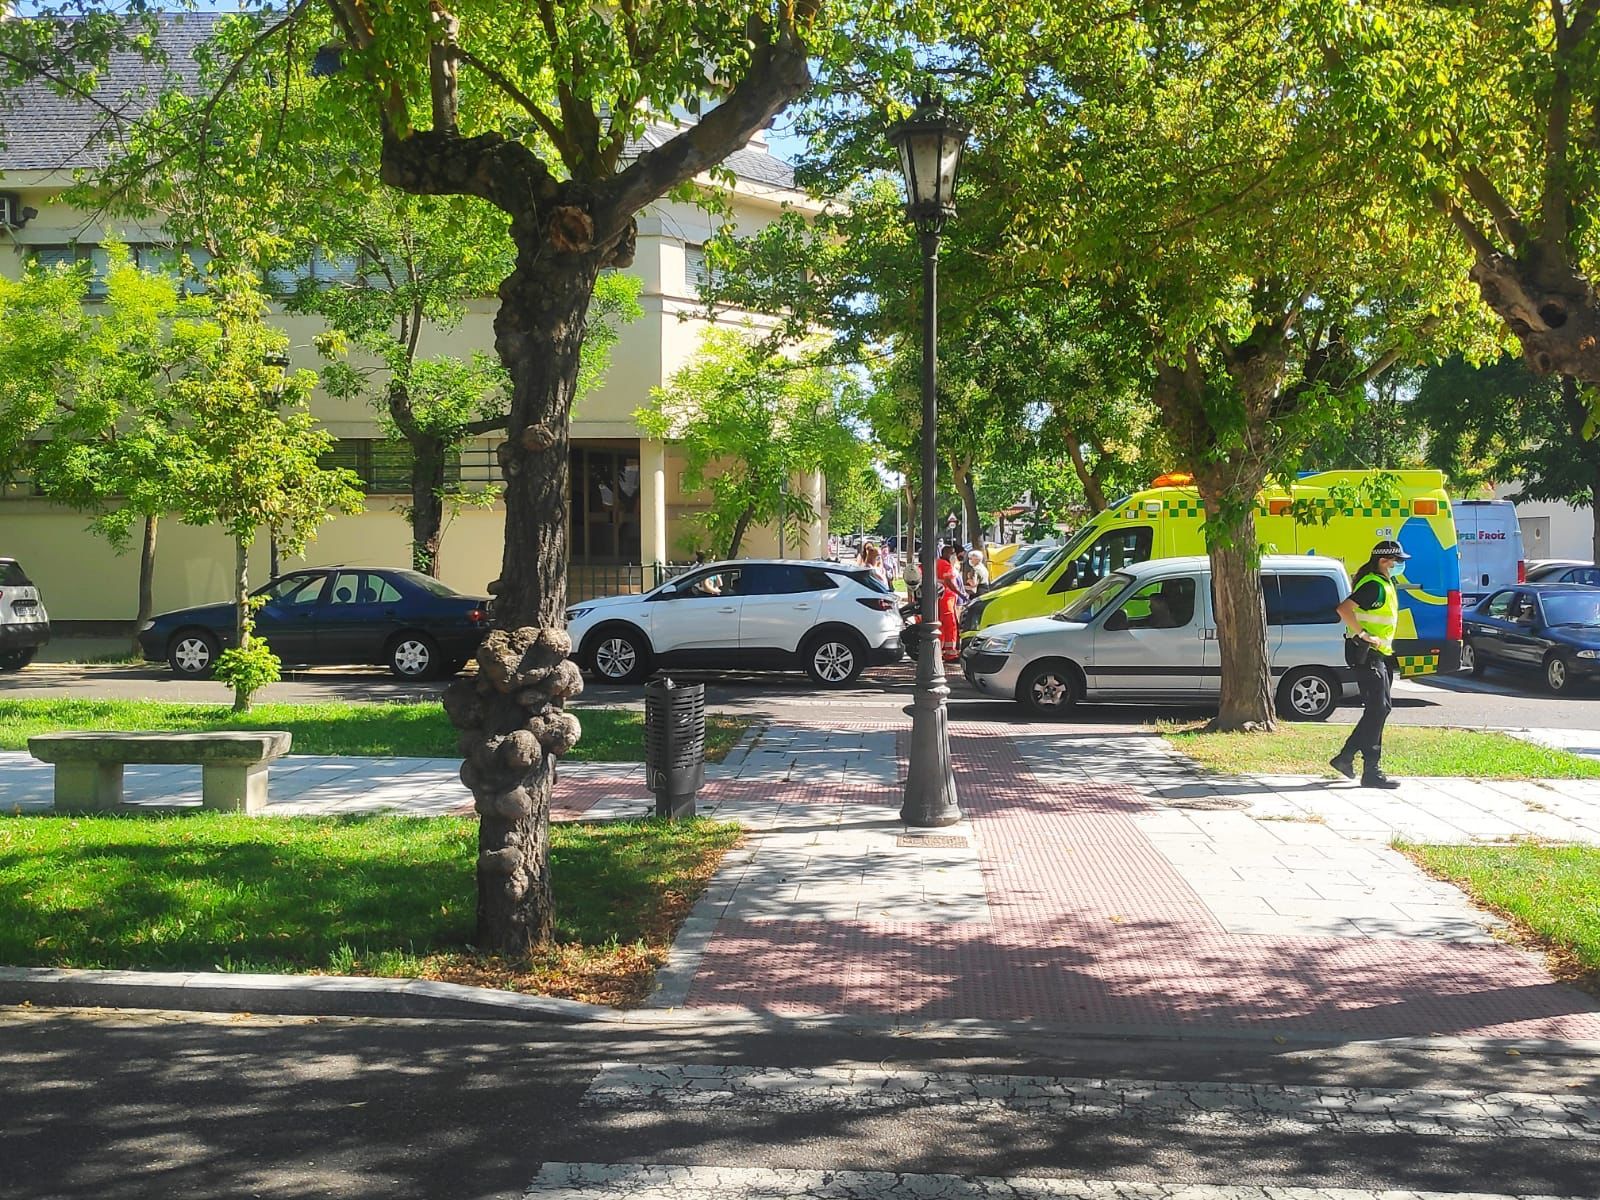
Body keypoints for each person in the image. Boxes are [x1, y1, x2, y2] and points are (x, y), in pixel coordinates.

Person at [1330, 540, 1407, 789]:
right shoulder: (1374, 585)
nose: (1400, 565)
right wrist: (1364, 634)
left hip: (1377, 654)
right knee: (1378, 709)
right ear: (1384, 561)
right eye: (1398, 561)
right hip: (1367, 653)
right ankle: (1368, 769)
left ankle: (1347, 757)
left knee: (1380, 708)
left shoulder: (1382, 582)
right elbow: (1343, 609)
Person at [936, 543, 965, 661]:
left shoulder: (937, 563)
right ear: (947, 553)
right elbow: (949, 581)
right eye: (952, 553)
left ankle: (940, 649)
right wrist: (960, 593)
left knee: (940, 624)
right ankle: (950, 653)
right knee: (950, 625)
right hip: (947, 598)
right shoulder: (946, 565)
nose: (954, 555)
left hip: (939, 598)